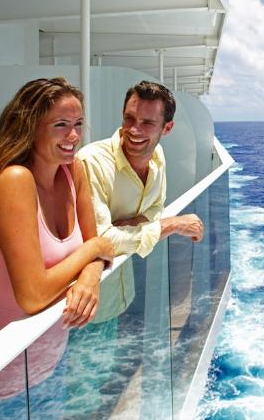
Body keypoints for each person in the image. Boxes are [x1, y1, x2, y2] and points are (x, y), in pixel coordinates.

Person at [0, 77, 114, 402]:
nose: (74, 136)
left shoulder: (74, 171)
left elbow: (97, 252)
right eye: (61, 124)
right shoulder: (14, 180)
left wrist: (91, 274)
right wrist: (94, 249)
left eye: (78, 124)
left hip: (49, 370)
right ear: (30, 127)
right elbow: (32, 295)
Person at [76, 80, 203, 317]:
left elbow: (156, 207)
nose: (134, 130)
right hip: (82, 307)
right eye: (129, 119)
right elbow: (99, 240)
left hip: (122, 292)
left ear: (167, 128)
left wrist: (131, 225)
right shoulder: (91, 162)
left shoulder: (157, 156)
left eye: (147, 123)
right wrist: (171, 225)